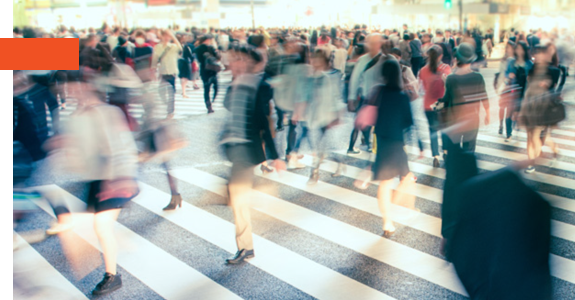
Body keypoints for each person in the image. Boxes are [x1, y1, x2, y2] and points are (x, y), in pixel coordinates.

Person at [63, 77, 139, 296]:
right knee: (95, 227)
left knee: (101, 226)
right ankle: (118, 249)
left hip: (115, 177)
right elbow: (78, 157)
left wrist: (122, 177)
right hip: (96, 180)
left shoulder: (108, 112)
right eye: (70, 89)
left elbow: (125, 147)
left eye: (76, 87)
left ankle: (112, 276)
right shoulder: (77, 116)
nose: (73, 92)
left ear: (89, 87)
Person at [221, 46, 286, 264]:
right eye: (232, 59)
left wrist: (275, 156)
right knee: (235, 197)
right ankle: (245, 245)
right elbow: (230, 108)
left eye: (238, 60)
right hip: (235, 148)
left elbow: (262, 121)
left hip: (246, 150)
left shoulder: (256, 85)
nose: (233, 63)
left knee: (237, 198)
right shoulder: (236, 84)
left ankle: (245, 247)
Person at [367, 59, 417, 235]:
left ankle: (387, 222)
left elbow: (368, 114)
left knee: (385, 183)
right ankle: (399, 203)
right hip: (396, 142)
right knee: (407, 177)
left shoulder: (378, 93)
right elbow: (408, 122)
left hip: (382, 141)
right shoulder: (401, 96)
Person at [438, 43, 490, 155]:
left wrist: (444, 83)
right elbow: (484, 97)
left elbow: (446, 99)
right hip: (472, 119)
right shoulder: (478, 77)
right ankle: (468, 171)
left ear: (457, 59)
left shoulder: (451, 79)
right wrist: (487, 113)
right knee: (469, 150)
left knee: (455, 150)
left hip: (455, 120)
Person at [519, 45, 560, 174]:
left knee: (538, 137)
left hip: (542, 110)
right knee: (530, 137)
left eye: (539, 54)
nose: (536, 56)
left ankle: (554, 151)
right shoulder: (532, 69)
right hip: (530, 108)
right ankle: (531, 163)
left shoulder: (551, 71)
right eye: (536, 54)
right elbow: (527, 89)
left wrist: (545, 85)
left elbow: (552, 90)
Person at [347, 33, 386, 154]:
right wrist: (351, 98)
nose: (372, 46)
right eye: (370, 43)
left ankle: (374, 145)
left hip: (382, 99)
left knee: (379, 124)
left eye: (375, 43)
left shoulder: (386, 59)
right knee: (361, 122)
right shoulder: (362, 60)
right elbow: (355, 79)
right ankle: (366, 144)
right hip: (366, 98)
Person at [418, 45, 451, 167]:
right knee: (445, 130)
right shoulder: (446, 68)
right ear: (441, 56)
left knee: (432, 130)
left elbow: (422, 89)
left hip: (428, 105)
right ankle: (446, 152)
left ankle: (435, 156)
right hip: (442, 104)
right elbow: (449, 86)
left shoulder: (422, 70)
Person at [505, 41, 533, 141]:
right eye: (517, 49)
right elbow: (506, 74)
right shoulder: (511, 61)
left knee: (517, 112)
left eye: (521, 49)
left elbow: (532, 79)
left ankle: (515, 125)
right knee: (509, 112)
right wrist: (508, 76)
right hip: (512, 90)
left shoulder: (529, 64)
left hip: (523, 92)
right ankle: (508, 134)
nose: (519, 51)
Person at [152, 29, 182, 118]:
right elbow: (155, 59)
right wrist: (153, 69)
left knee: (171, 93)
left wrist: (173, 36)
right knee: (160, 92)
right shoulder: (158, 47)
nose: (166, 38)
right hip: (162, 72)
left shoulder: (173, 46)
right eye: (165, 35)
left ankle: (170, 112)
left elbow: (180, 48)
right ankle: (167, 106)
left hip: (172, 72)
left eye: (168, 36)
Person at [195, 34, 220, 113]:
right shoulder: (211, 48)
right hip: (213, 70)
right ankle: (212, 102)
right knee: (216, 87)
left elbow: (198, 59)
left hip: (204, 70)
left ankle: (208, 106)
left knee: (206, 89)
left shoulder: (197, 49)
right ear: (207, 40)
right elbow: (218, 58)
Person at [496, 41, 516, 138]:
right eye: (507, 48)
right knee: (502, 107)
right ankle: (500, 125)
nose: (508, 50)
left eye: (510, 48)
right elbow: (500, 74)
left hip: (511, 87)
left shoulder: (515, 60)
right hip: (503, 86)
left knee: (509, 108)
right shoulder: (504, 60)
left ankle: (508, 128)